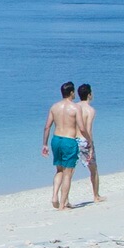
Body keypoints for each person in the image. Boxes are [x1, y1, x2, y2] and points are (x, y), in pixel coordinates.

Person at [41, 81, 83, 209]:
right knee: (68, 172)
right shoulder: (75, 107)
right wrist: (87, 139)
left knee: (59, 170)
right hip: (68, 140)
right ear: (71, 92)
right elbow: (81, 126)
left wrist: (45, 144)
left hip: (56, 139)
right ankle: (63, 204)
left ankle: (54, 196)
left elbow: (47, 127)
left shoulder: (54, 107)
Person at [77, 83, 103, 204]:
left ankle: (65, 199)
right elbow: (88, 129)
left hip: (73, 140)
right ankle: (96, 196)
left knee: (69, 171)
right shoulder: (90, 110)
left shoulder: (74, 107)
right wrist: (91, 144)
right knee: (94, 169)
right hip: (84, 140)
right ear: (89, 95)